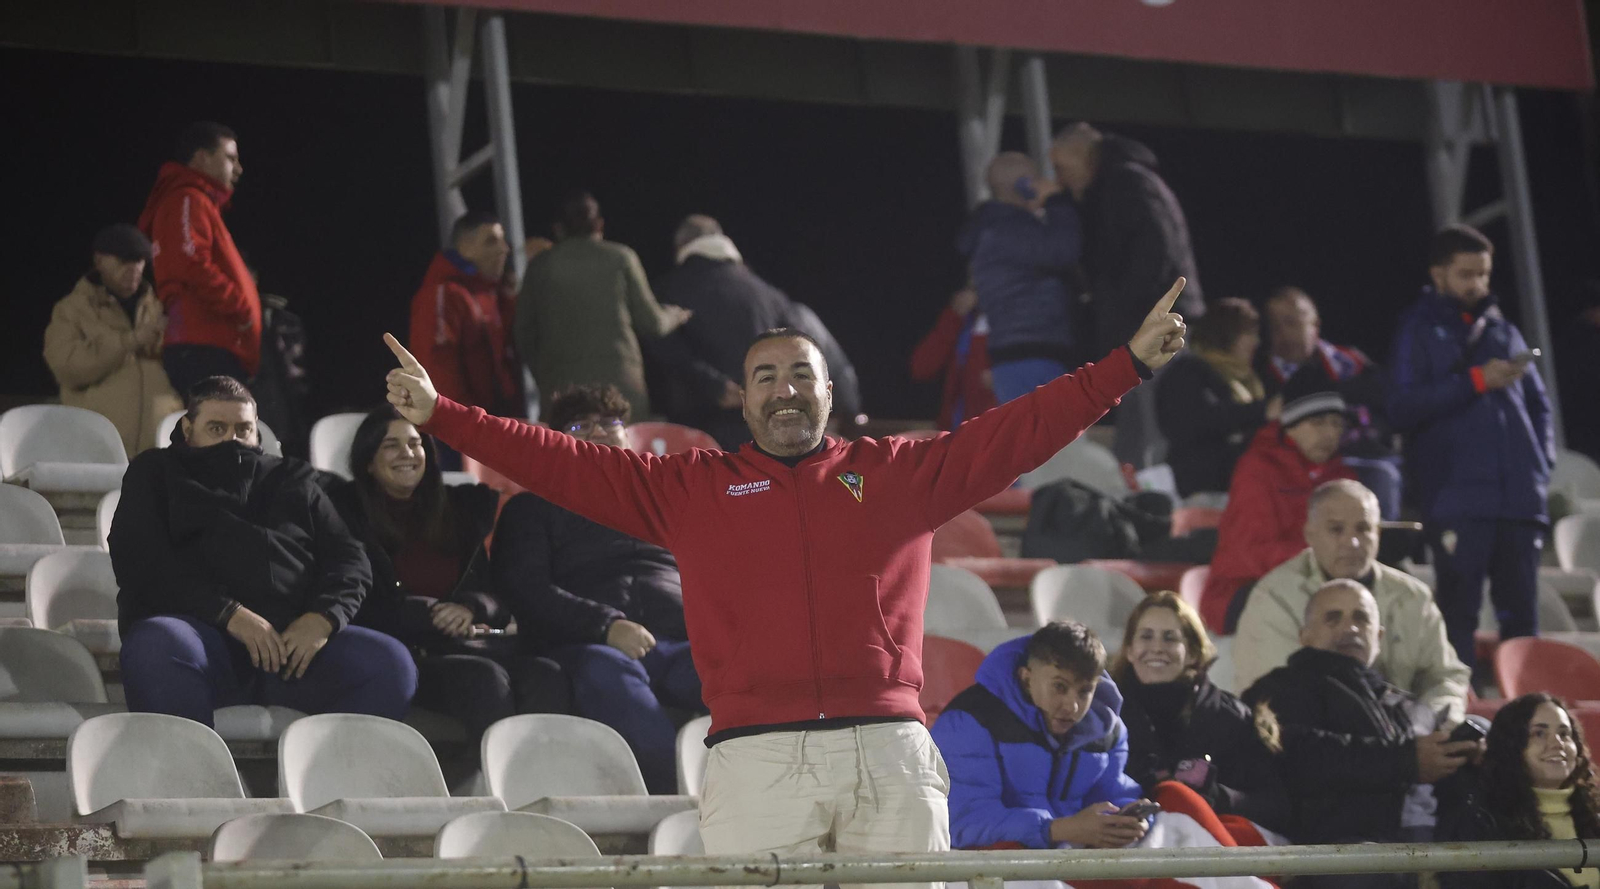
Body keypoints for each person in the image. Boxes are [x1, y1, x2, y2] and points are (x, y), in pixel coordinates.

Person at [382, 276, 1191, 885]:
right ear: (745, 399)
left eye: (800, 373)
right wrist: (442, 414)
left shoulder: (902, 472)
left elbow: (1018, 432)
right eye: (765, 376)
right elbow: (561, 460)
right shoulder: (690, 486)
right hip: (755, 757)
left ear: (828, 391)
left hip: (889, 751)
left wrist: (1123, 368)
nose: (784, 388)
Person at [110, 377, 415, 728]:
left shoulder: (293, 478)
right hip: (202, 642)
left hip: (290, 650)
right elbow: (140, 559)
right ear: (187, 428)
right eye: (216, 428)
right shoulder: (155, 471)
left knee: (388, 663)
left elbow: (350, 559)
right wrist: (229, 614)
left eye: (243, 429)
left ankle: (327, 781)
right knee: (155, 647)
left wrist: (323, 617)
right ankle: (193, 781)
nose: (231, 439)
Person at [491, 384, 701, 794]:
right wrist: (606, 626)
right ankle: (674, 801)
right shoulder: (530, 510)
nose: (599, 432)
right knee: (609, 674)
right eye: (580, 425)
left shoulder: (663, 502)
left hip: (678, 642)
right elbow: (526, 590)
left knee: (748, 671)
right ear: (554, 442)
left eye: (610, 422)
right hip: (587, 644)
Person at [325, 407, 569, 744]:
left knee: (547, 673)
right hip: (407, 654)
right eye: (391, 446)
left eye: (415, 443)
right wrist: (427, 614)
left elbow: (493, 592)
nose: (407, 454)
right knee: (484, 678)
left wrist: (470, 607)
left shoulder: (458, 511)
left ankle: (550, 781)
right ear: (368, 461)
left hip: (469, 642)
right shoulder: (344, 514)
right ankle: (499, 780)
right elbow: (353, 601)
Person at [1242, 581, 1483, 887]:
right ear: (1304, 636)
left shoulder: (1406, 704)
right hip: (1334, 853)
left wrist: (1469, 761)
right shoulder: (1279, 689)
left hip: (1423, 848)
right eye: (1333, 618)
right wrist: (1406, 760)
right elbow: (1298, 754)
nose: (1350, 628)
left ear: (1379, 636)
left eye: (1361, 618)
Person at [1389, 224, 1554, 668]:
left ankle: (1530, 721)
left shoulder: (1503, 329)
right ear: (1438, 273)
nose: (1477, 284)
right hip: (1457, 498)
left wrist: (1540, 466)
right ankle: (1457, 716)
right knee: (1458, 617)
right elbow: (1402, 407)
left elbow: (1540, 407)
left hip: (1519, 500)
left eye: (1483, 274)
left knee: (1524, 621)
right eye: (1466, 273)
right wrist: (1477, 381)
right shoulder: (1416, 329)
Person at [1233, 480, 1470, 724]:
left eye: (1363, 529)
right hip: (1316, 742)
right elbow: (1279, 698)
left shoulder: (1412, 595)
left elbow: (1445, 676)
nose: (1352, 542)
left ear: (1377, 534)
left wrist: (1431, 725)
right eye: (1336, 529)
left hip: (1410, 732)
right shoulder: (1274, 597)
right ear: (1310, 534)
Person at [1053, 122, 1205, 469]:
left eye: (1062, 167)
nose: (1060, 179)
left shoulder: (1127, 182)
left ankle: (1151, 504)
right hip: (1149, 323)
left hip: (1155, 326)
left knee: (1150, 428)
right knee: (1141, 426)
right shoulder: (1120, 183)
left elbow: (1155, 248)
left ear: (1083, 156)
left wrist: (1133, 313)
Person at [932, 622, 1148, 850]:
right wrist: (1059, 829)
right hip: (994, 866)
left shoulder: (1106, 730)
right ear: (1026, 679)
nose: (1072, 706)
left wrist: (1128, 817)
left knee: (1173, 813)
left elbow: (1113, 791)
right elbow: (961, 821)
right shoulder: (969, 721)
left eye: (1085, 691)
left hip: (1070, 859)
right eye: (1059, 687)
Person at [1110, 592, 1290, 837]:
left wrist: (1217, 796)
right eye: (1146, 636)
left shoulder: (1231, 718)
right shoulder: (1105, 714)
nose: (1157, 648)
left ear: (1193, 652)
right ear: (1130, 650)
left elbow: (1275, 806)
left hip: (1212, 843)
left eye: (1170, 638)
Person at [1199, 365, 1357, 632]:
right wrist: (1322, 558)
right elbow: (1249, 551)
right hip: (1242, 590)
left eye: (1336, 424)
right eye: (1317, 423)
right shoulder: (1259, 469)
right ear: (1291, 426)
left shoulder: (1342, 475)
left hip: (1317, 582)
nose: (1330, 434)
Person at [516, 191, 691, 420]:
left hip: (562, 394)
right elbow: (653, 323)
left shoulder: (540, 266)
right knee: (625, 452)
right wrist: (675, 315)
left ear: (558, 229)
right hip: (621, 389)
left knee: (567, 453)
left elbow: (523, 333)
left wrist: (548, 375)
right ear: (599, 225)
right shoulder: (621, 258)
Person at [646, 215, 795, 446]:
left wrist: (714, 386)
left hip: (698, 426)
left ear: (681, 246)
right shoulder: (768, 293)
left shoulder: (667, 288)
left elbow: (663, 345)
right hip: (763, 424)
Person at [137, 121, 260, 393]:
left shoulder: (197, 201)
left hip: (211, 344)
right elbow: (190, 262)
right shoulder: (186, 197)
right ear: (202, 157)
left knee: (220, 430)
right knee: (216, 430)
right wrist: (240, 305)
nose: (238, 169)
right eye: (230, 158)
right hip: (203, 345)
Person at [43, 224, 182, 456]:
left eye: (139, 260)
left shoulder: (159, 309)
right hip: (97, 451)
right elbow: (66, 367)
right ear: (99, 261)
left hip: (159, 453)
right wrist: (132, 340)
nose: (134, 267)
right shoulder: (72, 309)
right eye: (123, 260)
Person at [1261, 286, 1401, 518]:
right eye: (1274, 326)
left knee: (1383, 473)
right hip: (1294, 466)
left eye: (1292, 322)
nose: (1284, 334)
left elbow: (1387, 401)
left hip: (1358, 455)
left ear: (1314, 325)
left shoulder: (1350, 363)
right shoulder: (1262, 376)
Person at [956, 151, 1083, 404]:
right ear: (1024, 185)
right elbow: (1064, 250)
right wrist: (1056, 202)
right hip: (1033, 352)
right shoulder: (1009, 230)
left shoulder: (993, 228)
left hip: (1018, 355)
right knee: (1052, 439)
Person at [1438, 693, 1600, 889]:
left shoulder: (1594, 813)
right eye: (1539, 733)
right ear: (1511, 747)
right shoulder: (1484, 824)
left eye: (1565, 734)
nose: (1558, 743)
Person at [407, 210, 525, 421]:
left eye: (503, 241)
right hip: (465, 431)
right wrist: (463, 425)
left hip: (493, 423)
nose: (504, 249)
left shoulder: (486, 292)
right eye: (491, 242)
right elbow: (437, 368)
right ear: (465, 248)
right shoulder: (442, 294)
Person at [1156, 297, 1278, 497]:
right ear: (1226, 334)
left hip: (1243, 486)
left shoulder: (1250, 379)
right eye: (1249, 333)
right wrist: (1262, 411)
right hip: (1200, 490)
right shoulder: (1187, 372)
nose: (1257, 342)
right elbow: (1191, 423)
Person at [909, 285, 995, 431]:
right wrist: (954, 316)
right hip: (955, 436)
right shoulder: (961, 322)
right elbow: (921, 368)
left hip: (995, 435)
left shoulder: (1022, 325)